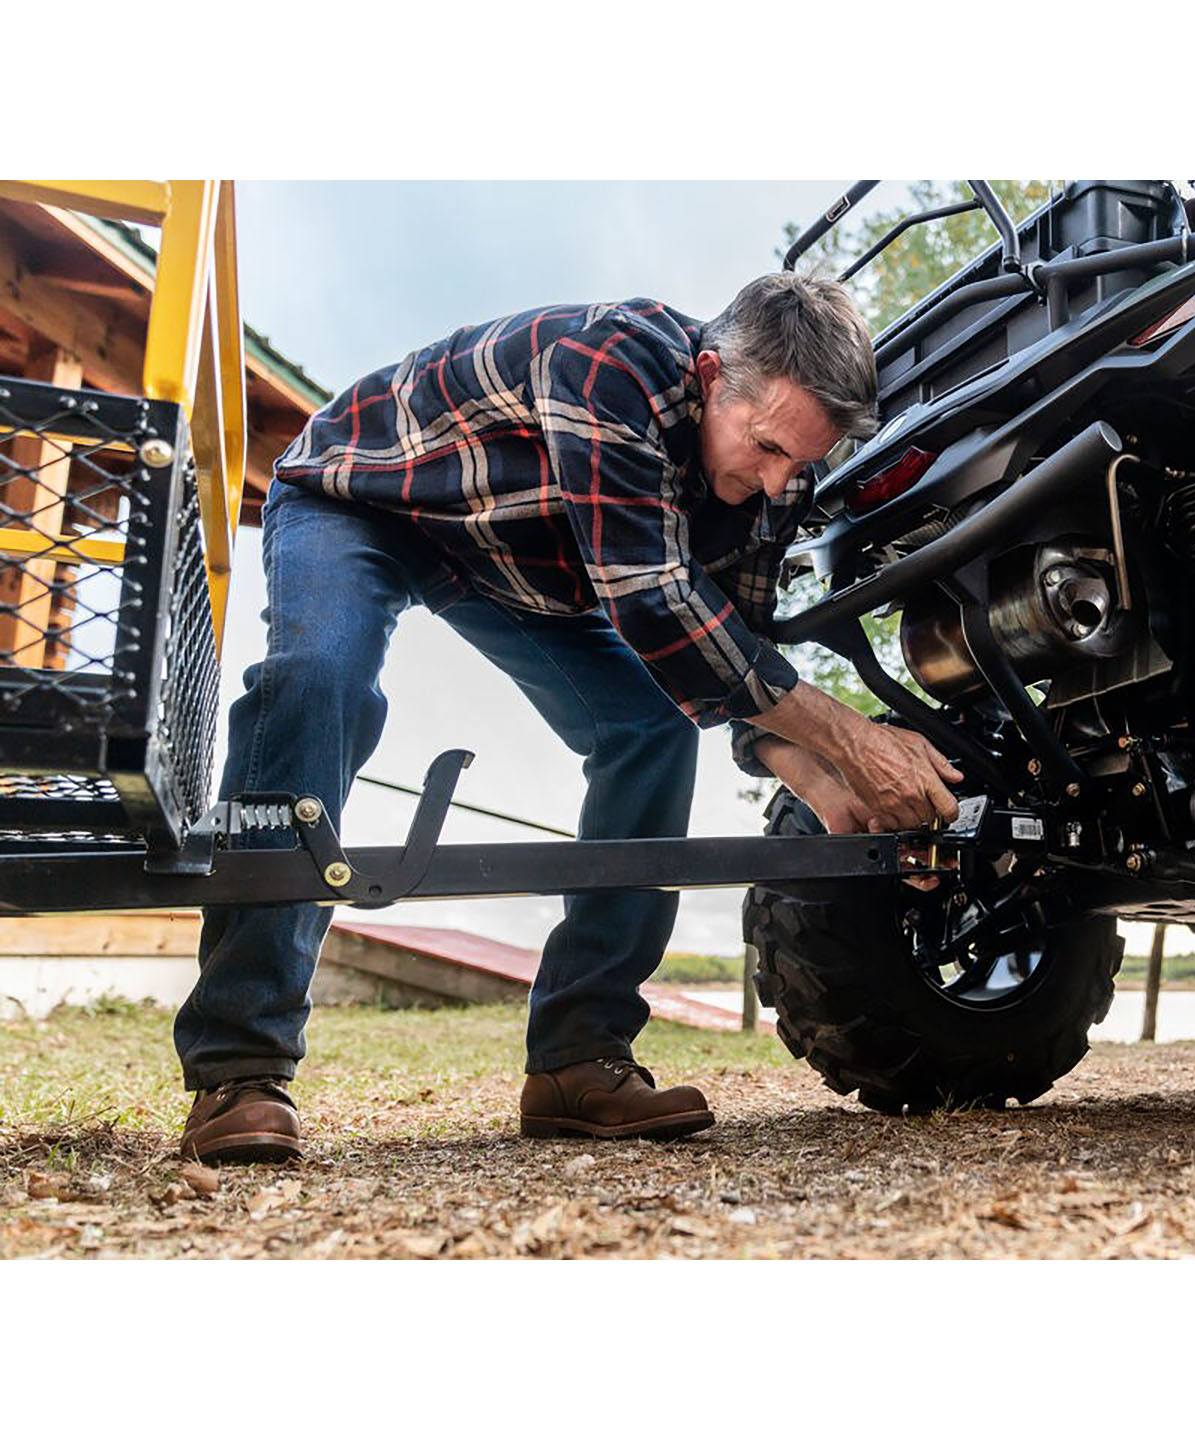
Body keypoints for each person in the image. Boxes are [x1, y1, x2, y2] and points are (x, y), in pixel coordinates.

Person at [175, 273, 962, 1164]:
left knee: (653, 730)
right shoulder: (606, 362)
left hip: (513, 559)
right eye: (768, 447)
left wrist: (820, 777)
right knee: (319, 682)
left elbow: (728, 648)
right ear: (710, 374)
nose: (779, 483)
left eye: (802, 464)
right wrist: (856, 742)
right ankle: (239, 1066)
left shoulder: (775, 479)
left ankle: (578, 1061)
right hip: (364, 497)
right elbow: (658, 606)